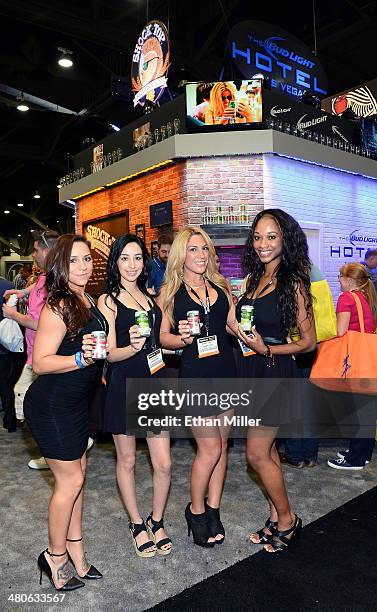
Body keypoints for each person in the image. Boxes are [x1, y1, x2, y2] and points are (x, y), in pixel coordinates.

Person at [24, 234, 106, 591]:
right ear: (60, 264)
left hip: (76, 403)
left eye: (87, 259)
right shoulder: (58, 304)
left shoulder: (87, 299)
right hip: (52, 404)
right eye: (74, 260)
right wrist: (78, 358)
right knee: (69, 481)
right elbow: (40, 362)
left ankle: (77, 551)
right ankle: (54, 558)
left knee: (79, 476)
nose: (83, 266)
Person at [237, 209, 316, 553]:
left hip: (275, 371)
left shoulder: (293, 281)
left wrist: (267, 346)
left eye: (271, 236)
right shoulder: (254, 278)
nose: (263, 244)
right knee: (267, 450)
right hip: (253, 371)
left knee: (255, 454)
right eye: (257, 237)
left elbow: (308, 341)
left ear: (285, 239)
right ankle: (273, 517)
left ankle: (288, 520)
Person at [158, 226, 238, 547]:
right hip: (195, 375)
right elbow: (161, 336)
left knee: (223, 448)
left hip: (225, 372)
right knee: (210, 449)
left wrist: (252, 332)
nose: (201, 255)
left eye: (205, 249)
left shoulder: (220, 285)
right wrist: (182, 339)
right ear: (181, 254)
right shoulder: (169, 292)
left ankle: (214, 509)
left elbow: (232, 325)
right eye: (193, 249)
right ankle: (196, 510)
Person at [98, 234, 172, 558]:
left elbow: (160, 342)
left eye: (138, 257)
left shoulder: (150, 297)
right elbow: (108, 355)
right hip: (123, 384)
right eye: (125, 258)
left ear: (145, 260)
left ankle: (157, 520)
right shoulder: (108, 300)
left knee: (165, 463)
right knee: (126, 460)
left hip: (154, 384)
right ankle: (137, 523)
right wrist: (131, 346)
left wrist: (179, 340)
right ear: (116, 262)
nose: (132, 264)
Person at [3, 230, 60, 468]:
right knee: (36, 402)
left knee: (27, 401)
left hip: (42, 354)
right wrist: (22, 291)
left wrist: (15, 315)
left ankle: (60, 446)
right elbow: (38, 286)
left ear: (46, 250)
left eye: (36, 250)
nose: (33, 255)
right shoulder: (46, 278)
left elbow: (44, 323)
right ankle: (55, 449)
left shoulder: (54, 282)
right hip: (34, 354)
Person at [327, 262, 377, 470]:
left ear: (348, 279)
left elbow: (340, 331)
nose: (338, 280)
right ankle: (362, 453)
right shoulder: (367, 297)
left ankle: (355, 459)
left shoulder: (347, 298)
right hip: (368, 359)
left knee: (357, 411)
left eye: (340, 277)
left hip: (354, 360)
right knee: (366, 409)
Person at [0, 274, 18, 432]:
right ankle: (10, 421)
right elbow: (13, 312)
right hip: (3, 344)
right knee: (6, 385)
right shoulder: (8, 286)